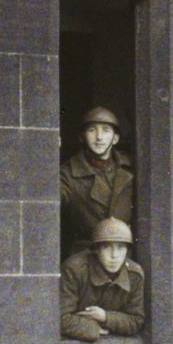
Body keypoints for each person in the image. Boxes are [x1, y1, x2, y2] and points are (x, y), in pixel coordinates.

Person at [59, 106, 135, 258]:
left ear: (115, 138)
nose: (99, 137)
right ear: (82, 136)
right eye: (92, 130)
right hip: (86, 255)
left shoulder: (132, 166)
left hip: (123, 254)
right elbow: (48, 200)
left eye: (106, 130)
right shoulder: (68, 173)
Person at [61, 217, 145, 342]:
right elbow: (60, 317)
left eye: (120, 248)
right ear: (96, 250)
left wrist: (105, 317)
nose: (114, 256)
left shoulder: (134, 274)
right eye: (107, 247)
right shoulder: (75, 269)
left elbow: (136, 320)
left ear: (127, 250)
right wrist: (91, 329)